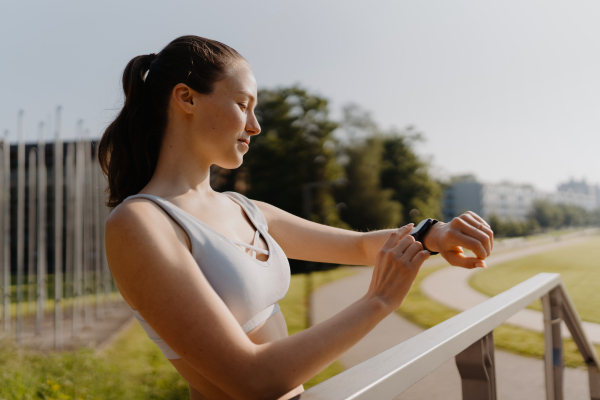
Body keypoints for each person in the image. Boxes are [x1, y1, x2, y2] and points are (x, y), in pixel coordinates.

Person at [99, 35, 494, 400]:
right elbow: (252, 379)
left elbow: (357, 245)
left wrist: (433, 234)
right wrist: (378, 300)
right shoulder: (140, 223)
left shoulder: (245, 209)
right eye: (243, 105)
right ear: (186, 98)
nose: (255, 126)